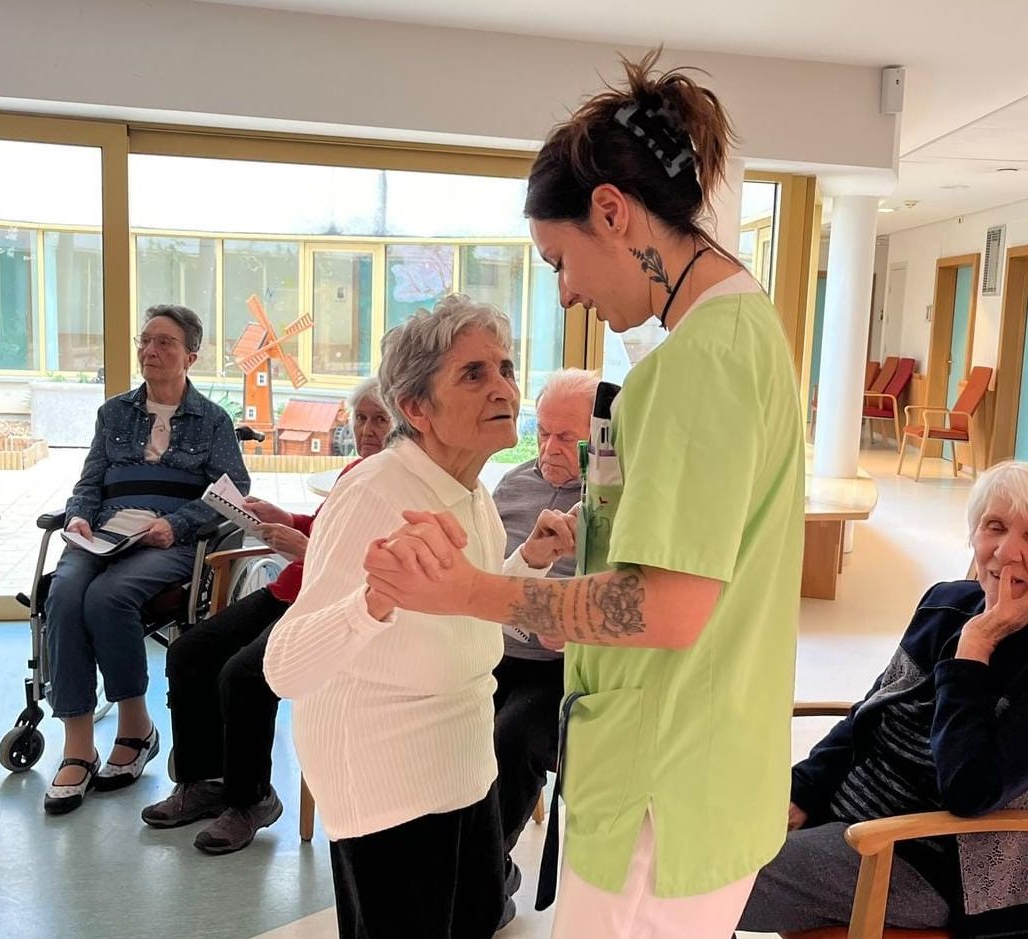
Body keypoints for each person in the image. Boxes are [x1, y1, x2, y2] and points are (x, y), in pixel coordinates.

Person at [362, 50, 805, 939]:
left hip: (663, 783)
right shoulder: (742, 333)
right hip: (692, 759)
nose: (565, 288)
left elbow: (669, 607)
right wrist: (570, 588)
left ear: (612, 210)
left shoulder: (697, 365)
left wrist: (470, 591)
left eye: (559, 257)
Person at [262, 295, 577, 939]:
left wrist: (532, 561)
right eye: (473, 374)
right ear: (416, 408)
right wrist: (374, 600)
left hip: (464, 759)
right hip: (387, 780)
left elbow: (467, 607)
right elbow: (284, 667)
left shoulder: (471, 490)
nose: (503, 389)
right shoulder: (376, 492)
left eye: (507, 368)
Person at [738, 460, 1028, 939]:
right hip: (849, 815)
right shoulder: (948, 602)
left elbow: (971, 792)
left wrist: (974, 651)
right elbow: (872, 714)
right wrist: (804, 789)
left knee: (701, 877)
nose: (1006, 551)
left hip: (940, 863)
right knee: (687, 829)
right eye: (995, 526)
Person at [139, 377, 391, 854]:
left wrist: (307, 548)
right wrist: (289, 519)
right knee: (190, 652)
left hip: (327, 601)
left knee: (245, 675)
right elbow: (324, 530)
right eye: (361, 418)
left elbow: (369, 569)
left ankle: (250, 799)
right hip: (291, 587)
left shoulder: (394, 487)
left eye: (380, 419)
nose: (368, 429)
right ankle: (203, 781)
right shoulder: (355, 472)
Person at [43, 304, 251, 815]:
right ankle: (77, 745)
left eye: (165, 343)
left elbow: (235, 490)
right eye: (145, 340)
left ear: (191, 356)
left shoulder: (214, 419)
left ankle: (135, 729)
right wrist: (78, 518)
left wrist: (176, 526)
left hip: (168, 537)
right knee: (65, 593)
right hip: (107, 527)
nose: (150, 350)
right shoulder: (114, 412)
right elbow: (90, 480)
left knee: (109, 597)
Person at [492, 368, 599, 889]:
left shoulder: (613, 500)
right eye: (542, 432)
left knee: (511, 738)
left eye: (566, 437)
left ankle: (484, 875)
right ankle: (463, 863)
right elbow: (486, 573)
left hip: (560, 667)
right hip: (493, 648)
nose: (549, 448)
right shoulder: (513, 485)